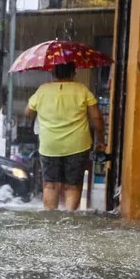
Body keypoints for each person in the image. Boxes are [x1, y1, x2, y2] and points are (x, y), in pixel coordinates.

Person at [25, 62, 105, 210]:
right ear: (73, 72)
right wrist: (101, 140)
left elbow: (27, 112)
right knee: (72, 185)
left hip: (50, 145)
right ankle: (69, 220)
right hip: (77, 145)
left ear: (53, 72)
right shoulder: (82, 90)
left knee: (50, 185)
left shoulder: (43, 90)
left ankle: (50, 220)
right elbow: (97, 118)